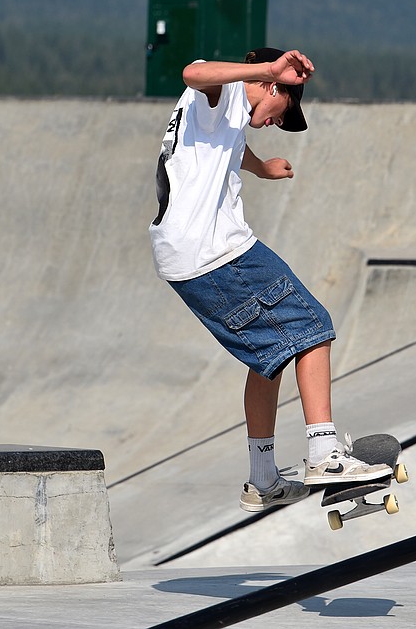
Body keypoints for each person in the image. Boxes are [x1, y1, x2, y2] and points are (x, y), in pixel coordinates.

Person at [149, 47, 393, 513]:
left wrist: (260, 168)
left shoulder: (220, 118)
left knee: (271, 358)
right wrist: (267, 68)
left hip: (183, 255)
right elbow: (191, 70)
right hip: (216, 250)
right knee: (312, 327)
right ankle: (326, 454)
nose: (279, 122)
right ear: (271, 86)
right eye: (285, 109)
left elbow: (225, 147)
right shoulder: (219, 93)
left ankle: (263, 480)